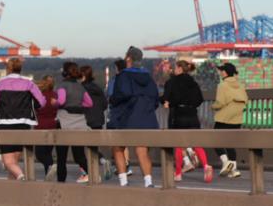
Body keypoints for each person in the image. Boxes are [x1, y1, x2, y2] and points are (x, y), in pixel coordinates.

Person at [109, 46, 159, 188]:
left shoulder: (123, 75)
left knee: (118, 147)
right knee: (142, 150)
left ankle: (123, 181)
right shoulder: (148, 77)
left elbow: (122, 95)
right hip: (146, 118)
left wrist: (113, 100)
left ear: (129, 58)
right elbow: (155, 98)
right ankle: (148, 182)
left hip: (126, 117)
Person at [0, 56, 46, 181]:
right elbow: (41, 102)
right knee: (14, 160)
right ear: (20, 68)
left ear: (7, 69)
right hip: (24, 124)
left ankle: (21, 176)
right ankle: (12, 193)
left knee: (8, 162)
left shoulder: (0, 84)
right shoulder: (29, 83)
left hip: (5, 124)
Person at [162, 60, 214, 183]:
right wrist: (191, 105)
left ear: (180, 68)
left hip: (179, 115)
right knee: (196, 142)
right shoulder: (193, 83)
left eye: (175, 67)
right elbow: (200, 99)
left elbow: (168, 98)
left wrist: (169, 103)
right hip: (192, 114)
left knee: (179, 146)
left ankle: (178, 173)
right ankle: (206, 165)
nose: (174, 70)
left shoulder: (173, 82)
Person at [52, 62, 93, 183]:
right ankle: (92, 174)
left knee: (61, 157)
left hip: (64, 121)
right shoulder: (80, 86)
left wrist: (54, 103)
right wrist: (78, 105)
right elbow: (90, 103)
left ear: (64, 72)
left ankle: (61, 182)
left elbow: (62, 101)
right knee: (79, 155)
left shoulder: (62, 85)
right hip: (79, 122)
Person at [212, 62, 247, 178]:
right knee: (230, 144)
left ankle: (227, 164)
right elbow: (246, 101)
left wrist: (213, 106)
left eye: (221, 71)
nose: (220, 72)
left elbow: (220, 103)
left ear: (225, 72)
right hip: (237, 119)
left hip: (223, 119)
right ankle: (234, 170)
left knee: (216, 141)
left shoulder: (222, 85)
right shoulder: (240, 85)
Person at [79, 65, 112, 180]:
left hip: (86, 119)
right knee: (93, 146)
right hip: (98, 119)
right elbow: (104, 104)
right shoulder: (97, 87)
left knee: (80, 149)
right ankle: (103, 161)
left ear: (82, 75)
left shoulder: (80, 88)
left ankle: (87, 173)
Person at [33, 75, 57, 179]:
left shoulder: (40, 95)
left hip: (41, 126)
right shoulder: (55, 95)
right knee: (48, 152)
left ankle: (51, 166)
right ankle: (48, 173)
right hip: (53, 125)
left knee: (39, 154)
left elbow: (35, 108)